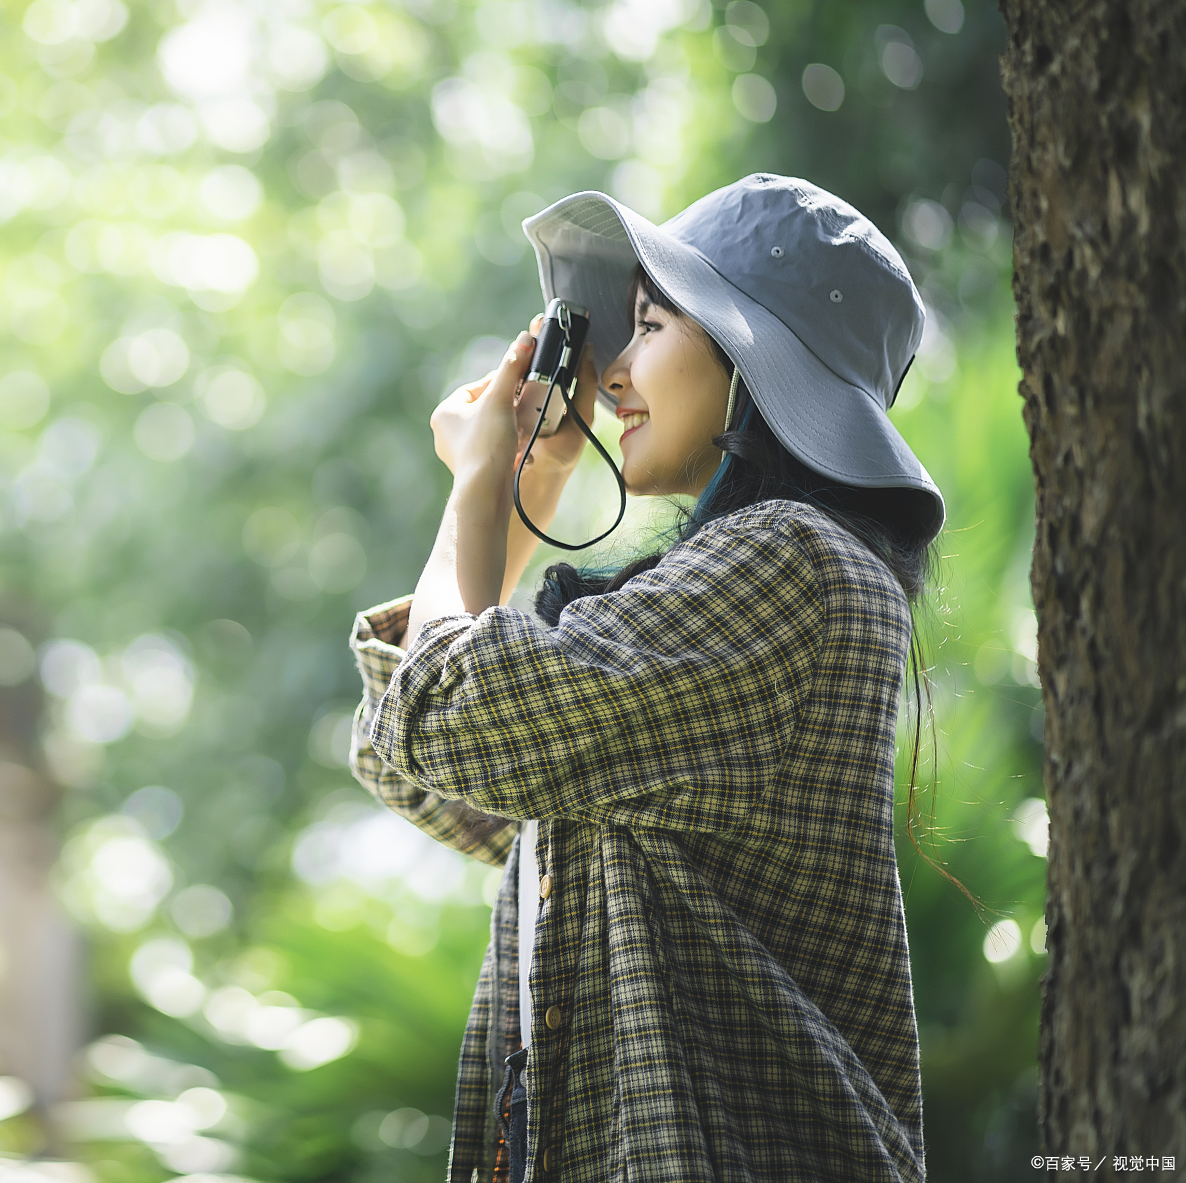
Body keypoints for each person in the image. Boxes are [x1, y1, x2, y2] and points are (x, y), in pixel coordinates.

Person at [347, 173, 944, 1183]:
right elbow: (418, 762)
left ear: (753, 358)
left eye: (651, 327)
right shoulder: (709, 595)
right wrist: (524, 480)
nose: (612, 371)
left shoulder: (791, 564)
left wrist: (485, 481)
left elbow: (449, 714)